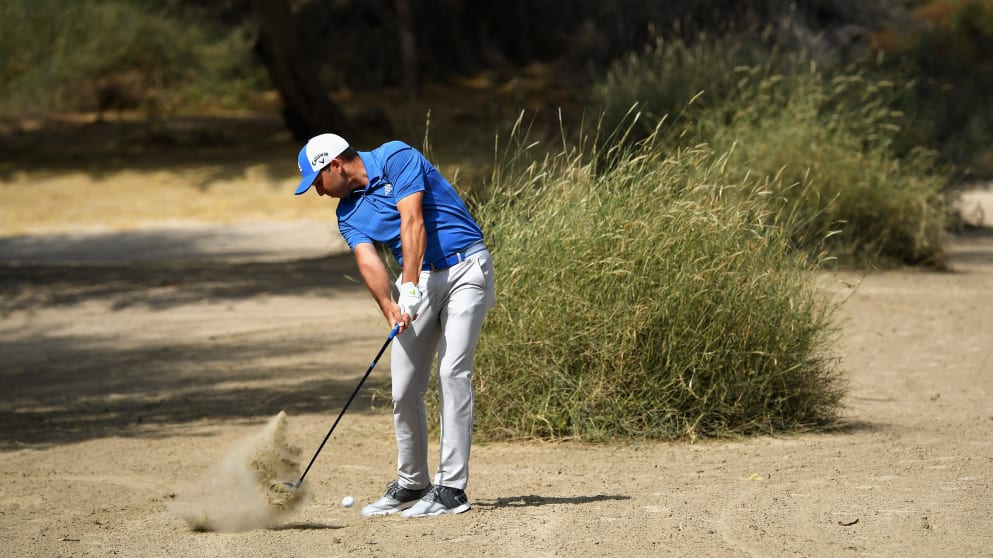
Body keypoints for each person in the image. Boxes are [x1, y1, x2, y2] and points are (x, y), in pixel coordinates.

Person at [293, 133, 495, 517]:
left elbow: (412, 220)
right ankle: (412, 483)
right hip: (417, 283)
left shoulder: (396, 157)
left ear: (335, 165)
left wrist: (409, 282)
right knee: (403, 389)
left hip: (465, 268)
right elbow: (367, 258)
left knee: (453, 373)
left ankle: (451, 488)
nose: (318, 192)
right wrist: (389, 305)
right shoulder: (346, 213)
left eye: (317, 182)